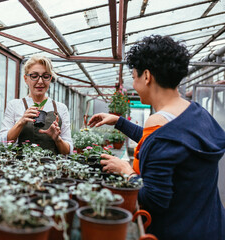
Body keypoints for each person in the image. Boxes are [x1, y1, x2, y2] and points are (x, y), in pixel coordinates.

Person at [88, 35, 225, 240]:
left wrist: (127, 172)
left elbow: (153, 198)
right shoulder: (195, 113)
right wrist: (118, 121)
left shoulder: (162, 127)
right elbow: (159, 142)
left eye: (134, 77)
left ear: (147, 76)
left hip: (176, 231)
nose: (133, 84)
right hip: (210, 226)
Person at [0, 55, 73, 155]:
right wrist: (21, 122)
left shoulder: (60, 108)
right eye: (34, 76)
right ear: (26, 78)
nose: (40, 81)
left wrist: (57, 139)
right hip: (21, 168)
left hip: (52, 167)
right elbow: (1, 144)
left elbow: (68, 151)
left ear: (50, 79)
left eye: (45, 76)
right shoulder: (15, 106)